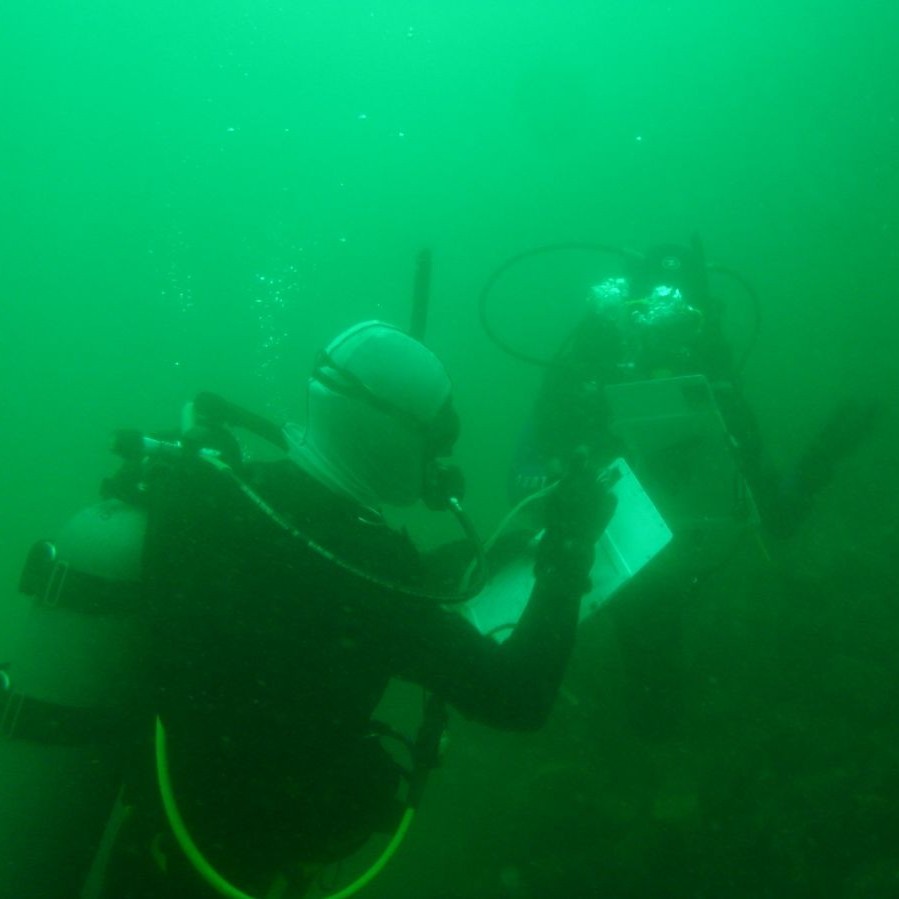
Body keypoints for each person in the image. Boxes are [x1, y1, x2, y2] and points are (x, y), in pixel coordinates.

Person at [1, 320, 615, 899]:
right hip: (239, 873)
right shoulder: (366, 574)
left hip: (156, 848)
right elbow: (518, 695)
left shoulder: (239, 494)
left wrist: (495, 552)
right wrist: (570, 549)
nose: (440, 462)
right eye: (437, 440)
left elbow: (326, 591)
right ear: (391, 434)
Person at [506, 240, 880, 741]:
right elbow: (521, 483)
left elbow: (776, 517)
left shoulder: (717, 392)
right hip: (588, 555)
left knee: (655, 703)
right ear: (623, 317)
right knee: (547, 671)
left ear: (704, 325)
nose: (664, 340)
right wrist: (573, 483)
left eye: (684, 322)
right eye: (645, 316)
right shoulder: (583, 376)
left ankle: (639, 751)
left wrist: (827, 450)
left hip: (673, 571)